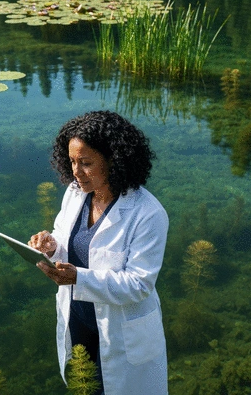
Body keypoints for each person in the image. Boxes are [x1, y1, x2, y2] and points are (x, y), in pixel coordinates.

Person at [29, 110, 169, 395]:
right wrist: (52, 247)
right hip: (79, 318)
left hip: (121, 330)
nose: (76, 172)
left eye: (86, 163)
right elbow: (69, 241)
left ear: (114, 161)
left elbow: (139, 284)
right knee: (86, 385)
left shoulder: (148, 213)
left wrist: (78, 278)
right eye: (71, 162)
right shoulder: (75, 192)